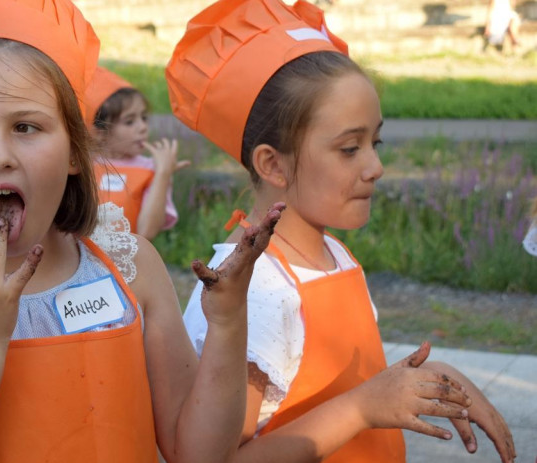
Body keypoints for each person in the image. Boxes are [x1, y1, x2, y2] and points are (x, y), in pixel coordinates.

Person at [0, 0, 283, 461]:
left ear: (73, 155)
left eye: (26, 126)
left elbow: (198, 453)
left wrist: (226, 322)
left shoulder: (132, 265)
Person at [168, 0, 516, 461]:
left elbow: (318, 391)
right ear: (272, 163)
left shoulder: (332, 251)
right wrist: (362, 408)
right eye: (350, 148)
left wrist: (422, 381)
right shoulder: (255, 292)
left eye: (376, 142)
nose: (376, 166)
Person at [85, 66, 189, 240]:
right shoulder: (83, 166)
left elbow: (146, 233)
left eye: (144, 117)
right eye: (129, 121)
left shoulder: (151, 170)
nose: (142, 127)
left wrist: (163, 174)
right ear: (99, 132)